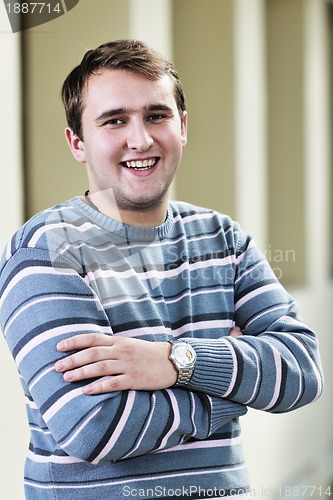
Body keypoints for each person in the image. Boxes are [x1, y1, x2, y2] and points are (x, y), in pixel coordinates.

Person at [0, 39, 323, 500]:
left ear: (183, 126)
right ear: (77, 142)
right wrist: (232, 390)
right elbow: (95, 428)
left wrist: (174, 361)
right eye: (114, 120)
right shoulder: (46, 250)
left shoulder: (223, 239)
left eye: (157, 115)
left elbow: (302, 371)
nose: (141, 139)